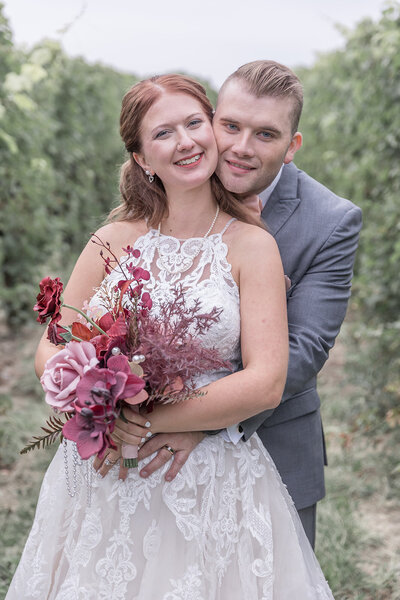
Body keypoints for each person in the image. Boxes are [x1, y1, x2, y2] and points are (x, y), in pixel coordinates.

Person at [6, 74, 335, 598]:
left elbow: (268, 379)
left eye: (193, 123)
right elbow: (53, 344)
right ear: (141, 158)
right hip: (104, 472)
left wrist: (139, 418)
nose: (185, 141)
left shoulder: (251, 247)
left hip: (205, 476)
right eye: (163, 133)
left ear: (211, 130)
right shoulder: (109, 241)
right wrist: (92, 397)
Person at [114, 61, 363, 549]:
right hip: (151, 456)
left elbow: (305, 348)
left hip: (270, 443)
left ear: (291, 146)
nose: (241, 148)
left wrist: (198, 421)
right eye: (230, 126)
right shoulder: (170, 185)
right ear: (210, 119)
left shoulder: (331, 221)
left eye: (266, 134)